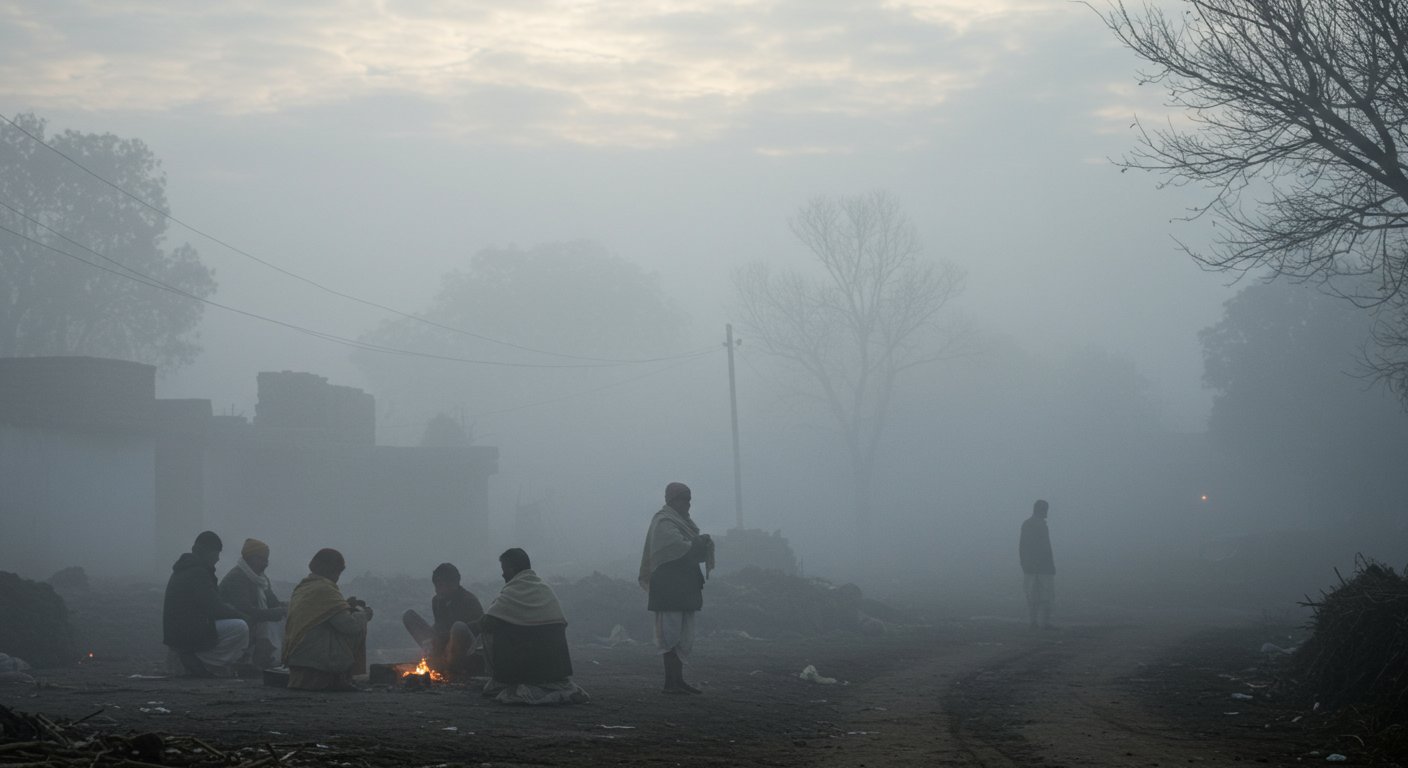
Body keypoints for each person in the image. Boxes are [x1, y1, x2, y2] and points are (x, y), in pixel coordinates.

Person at [479, 548, 588, 705]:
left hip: (533, 668)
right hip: (558, 668)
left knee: (490, 632)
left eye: (504, 570)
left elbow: (487, 622)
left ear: (513, 569)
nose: (503, 575)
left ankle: (502, 681)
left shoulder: (514, 590)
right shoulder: (544, 588)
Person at [638, 481, 714, 694]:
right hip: (668, 588)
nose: (688, 505)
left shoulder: (684, 523)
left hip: (685, 587)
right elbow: (677, 547)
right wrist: (700, 543)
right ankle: (669, 682)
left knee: (683, 636)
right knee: (669, 635)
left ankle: (678, 681)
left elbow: (691, 551)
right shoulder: (663, 522)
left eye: (690, 500)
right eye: (684, 500)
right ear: (672, 501)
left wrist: (699, 543)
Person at [282, 548, 373, 691]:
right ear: (331, 570)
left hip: (298, 659)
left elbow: (324, 614)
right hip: (315, 662)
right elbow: (349, 626)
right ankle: (345, 678)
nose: (337, 577)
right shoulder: (325, 589)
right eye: (337, 572)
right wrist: (364, 614)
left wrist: (345, 607)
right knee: (359, 624)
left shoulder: (304, 587)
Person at [162, 531, 250, 677]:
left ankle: (200, 660)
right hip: (187, 631)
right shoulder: (198, 573)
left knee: (234, 623)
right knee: (240, 627)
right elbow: (214, 608)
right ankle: (206, 662)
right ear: (207, 552)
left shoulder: (185, 569)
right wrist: (242, 616)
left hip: (179, 631)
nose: (218, 559)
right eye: (216, 554)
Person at [401, 562, 485, 676]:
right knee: (409, 616)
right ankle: (436, 660)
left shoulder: (468, 601)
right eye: (436, 586)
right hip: (440, 646)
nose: (437, 590)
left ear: (454, 584)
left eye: (441, 585)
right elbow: (439, 625)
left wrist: (444, 639)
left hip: (462, 651)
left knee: (458, 627)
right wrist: (430, 641)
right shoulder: (437, 601)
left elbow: (474, 634)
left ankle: (452, 667)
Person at [219, 538, 287, 669]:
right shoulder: (237, 577)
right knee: (273, 618)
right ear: (249, 557)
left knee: (280, 616)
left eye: (266, 559)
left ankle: (268, 657)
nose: (266, 563)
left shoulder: (261, 579)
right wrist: (277, 612)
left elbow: (273, 602)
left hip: (251, 622)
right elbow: (245, 610)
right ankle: (257, 657)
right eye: (262, 559)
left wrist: (286, 608)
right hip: (234, 623)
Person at [1020, 499, 1057, 630]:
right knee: (1045, 596)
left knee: (1033, 596)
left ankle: (1034, 622)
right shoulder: (1039, 526)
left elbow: (1022, 547)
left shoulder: (1027, 524)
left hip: (1031, 567)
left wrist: (1025, 564)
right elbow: (1045, 548)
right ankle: (1042, 623)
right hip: (1042, 567)